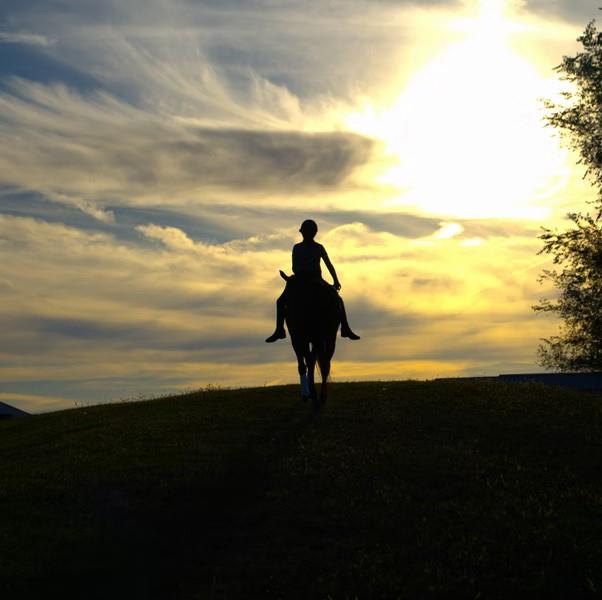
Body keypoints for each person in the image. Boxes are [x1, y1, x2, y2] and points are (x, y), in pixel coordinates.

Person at [265, 219, 360, 343]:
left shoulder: (304, 248)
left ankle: (279, 329)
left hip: (307, 279)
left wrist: (335, 280)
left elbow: (297, 267)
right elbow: (328, 265)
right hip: (310, 279)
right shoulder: (311, 247)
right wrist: (335, 281)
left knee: (281, 301)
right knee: (337, 299)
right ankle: (345, 328)